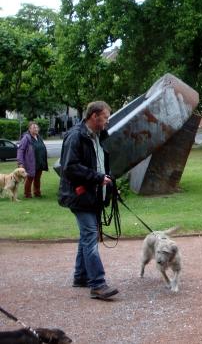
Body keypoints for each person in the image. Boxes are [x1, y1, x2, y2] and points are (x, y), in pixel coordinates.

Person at [58, 101, 119, 300]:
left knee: (87, 236)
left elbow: (102, 163)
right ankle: (98, 284)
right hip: (79, 195)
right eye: (106, 117)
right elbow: (70, 167)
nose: (107, 121)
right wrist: (98, 178)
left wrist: (107, 181)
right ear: (94, 116)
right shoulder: (75, 136)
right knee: (90, 235)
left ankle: (81, 276)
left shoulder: (100, 136)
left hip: (93, 196)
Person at [17, 121, 48, 198]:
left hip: (39, 161)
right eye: (34, 127)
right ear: (29, 129)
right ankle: (27, 194)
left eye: (37, 127)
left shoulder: (38, 137)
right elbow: (20, 150)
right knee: (30, 178)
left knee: (37, 178)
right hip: (30, 162)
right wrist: (20, 163)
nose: (36, 129)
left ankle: (37, 192)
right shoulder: (26, 138)